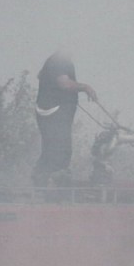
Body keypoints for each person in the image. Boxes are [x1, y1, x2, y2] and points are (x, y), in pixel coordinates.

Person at [32, 50, 96, 186]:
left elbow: (40, 75)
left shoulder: (53, 60)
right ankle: (54, 186)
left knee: (50, 150)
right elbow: (64, 83)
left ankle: (41, 181)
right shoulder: (61, 60)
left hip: (48, 110)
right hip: (55, 111)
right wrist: (85, 87)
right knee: (61, 151)